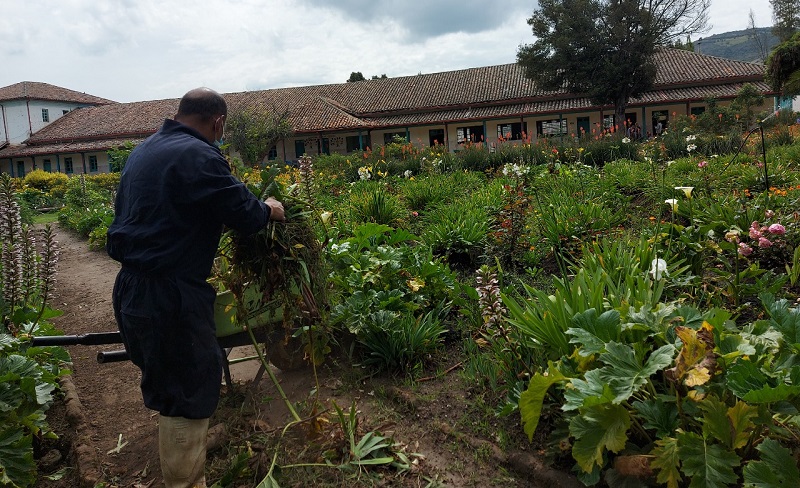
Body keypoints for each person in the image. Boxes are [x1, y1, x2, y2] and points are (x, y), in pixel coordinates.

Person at [106, 87, 285, 488]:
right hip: (169, 296)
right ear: (218, 122)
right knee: (187, 396)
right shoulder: (199, 155)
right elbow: (242, 212)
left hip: (133, 288)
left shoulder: (145, 150)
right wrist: (269, 209)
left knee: (173, 388)